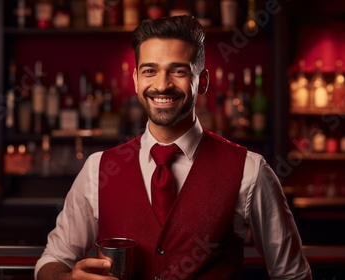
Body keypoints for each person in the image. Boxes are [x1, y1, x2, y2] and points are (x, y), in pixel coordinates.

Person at [35, 15, 312, 280]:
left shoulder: (250, 170)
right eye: (150, 71)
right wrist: (68, 277)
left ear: (201, 82)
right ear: (135, 81)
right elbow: (51, 262)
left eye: (178, 71)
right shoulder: (98, 169)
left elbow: (292, 274)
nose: (162, 85)